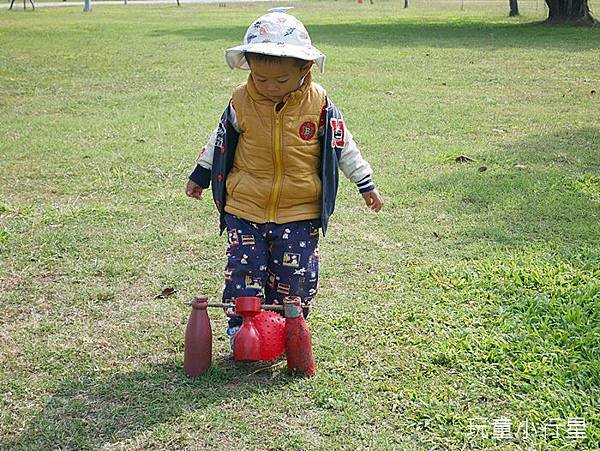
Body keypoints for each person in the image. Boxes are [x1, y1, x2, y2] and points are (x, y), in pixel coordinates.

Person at [185, 9, 383, 342]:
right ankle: (240, 329)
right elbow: (218, 141)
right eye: (261, 79)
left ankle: (289, 327)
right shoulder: (240, 101)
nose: (270, 87)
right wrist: (200, 174)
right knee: (244, 272)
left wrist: (365, 183)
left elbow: (343, 145)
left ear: (305, 68)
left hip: (299, 210)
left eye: (280, 81)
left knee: (295, 277)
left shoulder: (320, 105)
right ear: (249, 65)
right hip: (245, 207)